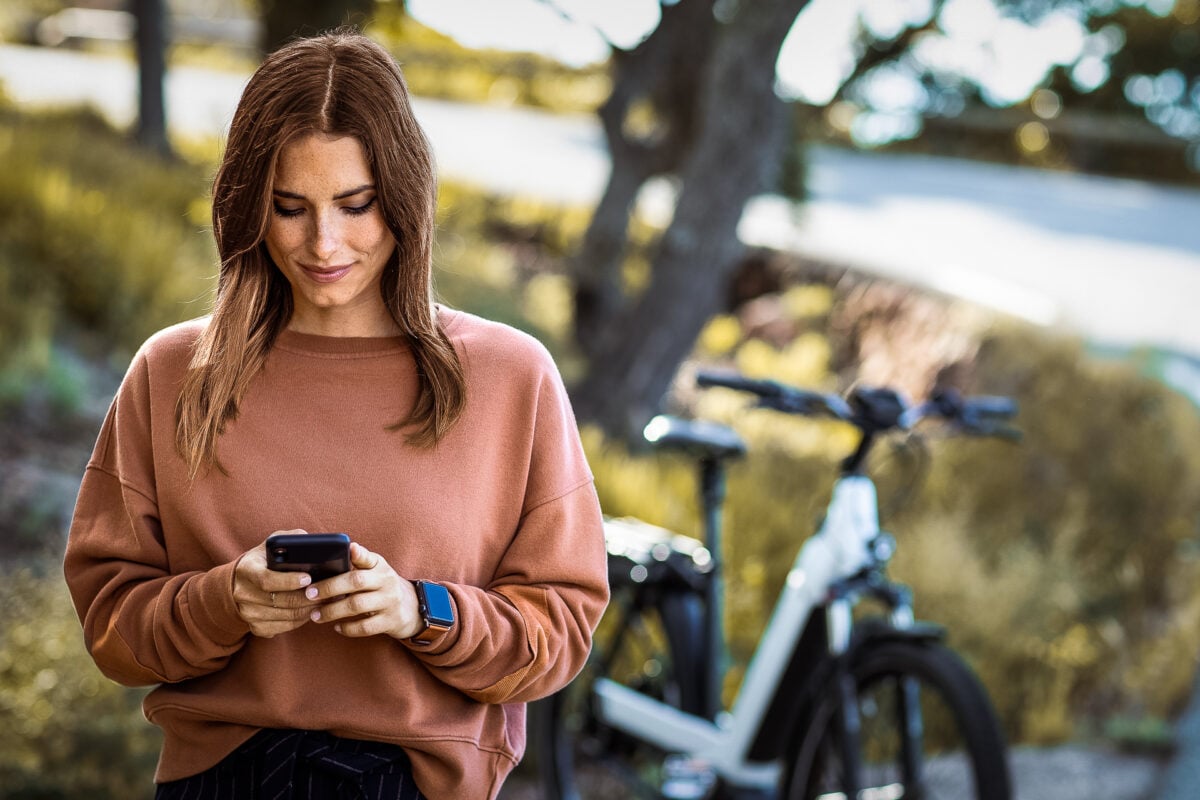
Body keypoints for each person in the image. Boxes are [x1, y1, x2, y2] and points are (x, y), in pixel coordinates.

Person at [63, 29, 609, 800]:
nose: (323, 244)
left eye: (356, 206)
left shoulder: (511, 377)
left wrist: (423, 609)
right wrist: (224, 602)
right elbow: (112, 628)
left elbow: (558, 634)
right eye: (289, 208)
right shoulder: (169, 373)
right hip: (222, 782)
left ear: (405, 197)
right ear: (248, 205)